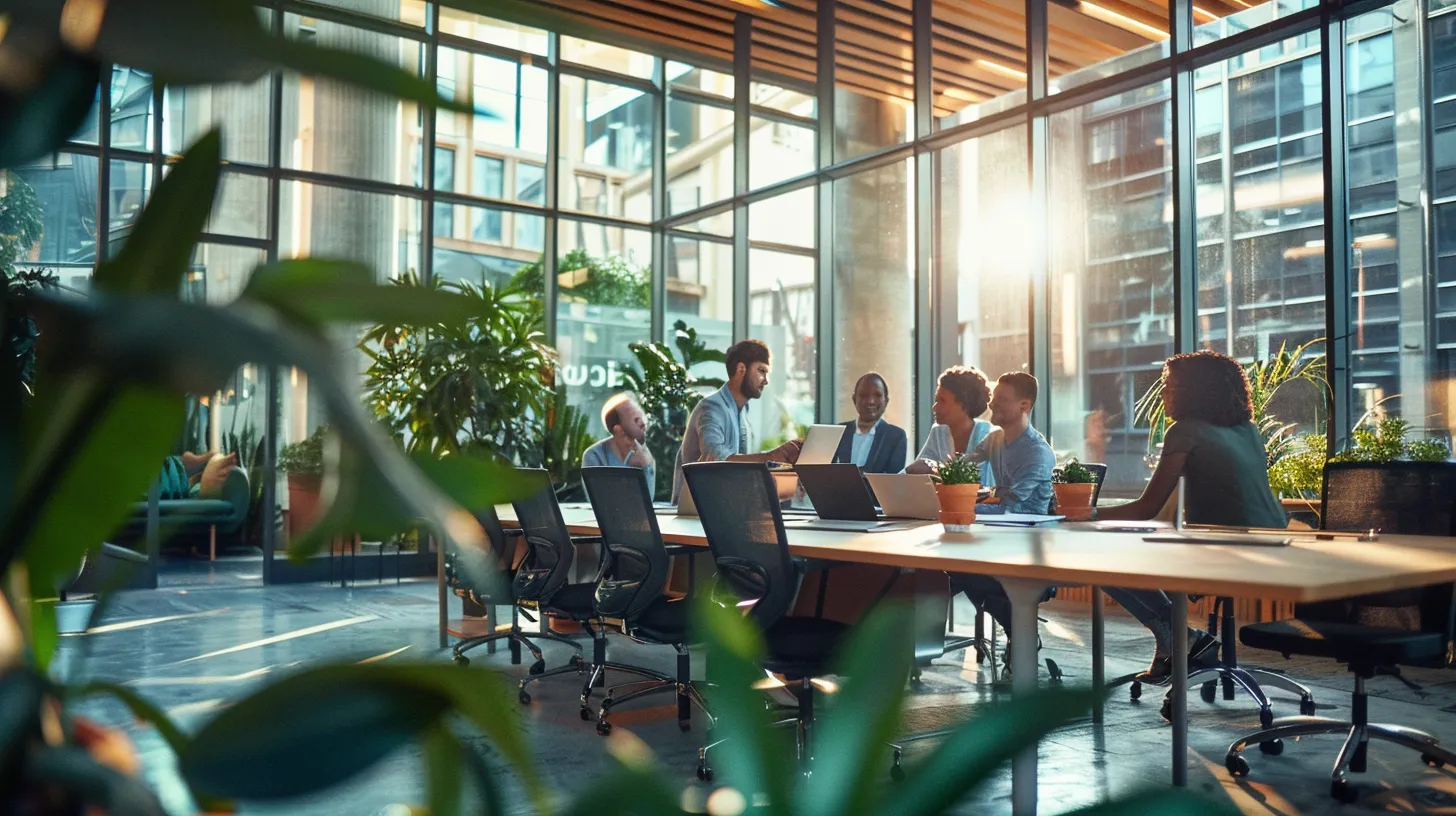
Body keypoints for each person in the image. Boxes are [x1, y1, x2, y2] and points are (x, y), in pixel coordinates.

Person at [1095, 350, 1281, 681]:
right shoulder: (1247, 430)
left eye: (1169, 384)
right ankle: (1177, 641)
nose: (1162, 392)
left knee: (1101, 558)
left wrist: (1084, 514)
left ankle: (1179, 635)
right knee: (1132, 549)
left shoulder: (1185, 431)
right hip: (1272, 547)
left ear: (1195, 390)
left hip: (1221, 549)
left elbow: (1145, 508)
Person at [948, 372, 1058, 668]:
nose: (992, 405)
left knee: (962, 568)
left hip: (1032, 545)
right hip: (999, 538)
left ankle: (1021, 632)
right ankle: (1019, 632)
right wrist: (938, 468)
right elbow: (965, 462)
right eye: (994, 399)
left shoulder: (1038, 453)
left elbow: (1012, 504)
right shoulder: (995, 439)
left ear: (1024, 406)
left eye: (1001, 401)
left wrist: (968, 507)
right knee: (951, 565)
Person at [672, 339, 802, 504]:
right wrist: (770, 456)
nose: (766, 380)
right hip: (696, 515)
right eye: (761, 371)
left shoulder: (740, 412)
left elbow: (737, 468)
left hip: (721, 509)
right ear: (741, 369)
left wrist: (784, 469)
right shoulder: (712, 408)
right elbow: (715, 458)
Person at [904, 365, 995, 487]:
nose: (934, 407)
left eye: (942, 401)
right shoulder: (939, 432)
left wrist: (936, 469)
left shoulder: (986, 434)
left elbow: (980, 485)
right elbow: (916, 472)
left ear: (964, 405)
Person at [832, 372, 908, 474]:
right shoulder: (837, 433)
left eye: (877, 395)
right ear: (854, 400)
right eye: (863, 395)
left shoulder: (895, 437)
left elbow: (892, 481)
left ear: (886, 401)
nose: (871, 401)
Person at [582, 393, 654, 492]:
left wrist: (645, 467)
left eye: (642, 417)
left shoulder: (645, 454)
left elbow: (648, 500)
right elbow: (599, 498)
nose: (642, 423)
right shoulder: (595, 456)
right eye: (636, 420)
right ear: (619, 430)